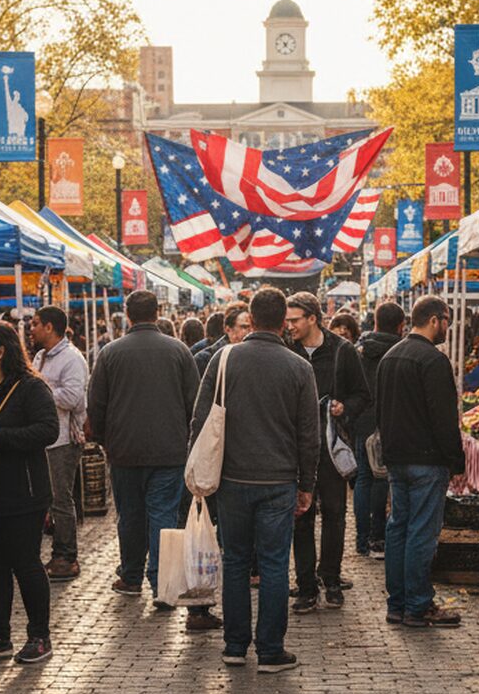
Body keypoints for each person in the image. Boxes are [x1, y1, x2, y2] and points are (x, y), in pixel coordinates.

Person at [191, 287, 317, 673]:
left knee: (236, 561)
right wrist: (307, 484)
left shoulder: (224, 359)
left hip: (232, 479)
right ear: (283, 322)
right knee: (276, 564)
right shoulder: (299, 368)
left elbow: (200, 419)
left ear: (251, 317)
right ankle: (270, 650)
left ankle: (233, 645)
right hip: (278, 482)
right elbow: (308, 435)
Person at [88, 290, 200, 607]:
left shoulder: (110, 353)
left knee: (130, 516)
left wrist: (104, 439)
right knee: (163, 515)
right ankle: (162, 584)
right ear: (157, 312)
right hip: (170, 450)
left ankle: (133, 575)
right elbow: (194, 403)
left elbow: (96, 403)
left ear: (128, 315)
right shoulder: (179, 351)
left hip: (124, 450)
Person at [0, 322, 60, 665]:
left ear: (2, 351)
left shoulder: (30, 388)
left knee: (26, 563)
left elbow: (48, 430)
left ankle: (39, 636)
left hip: (24, 493)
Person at [377, 296, 465, 628]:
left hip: (397, 459)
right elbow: (444, 419)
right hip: (426, 461)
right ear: (434, 320)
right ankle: (417, 604)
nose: (447, 328)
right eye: (447, 321)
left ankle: (397, 603)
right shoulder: (433, 361)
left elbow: (381, 411)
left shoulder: (390, 357)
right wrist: (455, 460)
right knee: (421, 532)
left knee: (398, 527)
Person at [284, 292, 370, 614]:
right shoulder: (285, 349)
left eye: (294, 320)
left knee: (334, 514)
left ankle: (331, 578)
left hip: (330, 449)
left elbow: (363, 395)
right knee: (300, 516)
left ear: (312, 319)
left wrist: (344, 408)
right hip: (293, 449)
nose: (289, 325)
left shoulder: (342, 351)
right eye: (287, 320)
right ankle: (306, 586)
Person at [29, 305, 88, 583]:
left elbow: (73, 398)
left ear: (49, 327)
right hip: (42, 439)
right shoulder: (40, 356)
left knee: (60, 499)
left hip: (63, 439)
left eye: (35, 324)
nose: (31, 328)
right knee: (47, 498)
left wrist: (40, 390)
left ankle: (66, 555)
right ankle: (55, 552)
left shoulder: (71, 358)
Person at [353, 301, 403, 560]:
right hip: (388, 422)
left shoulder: (359, 350)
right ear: (400, 325)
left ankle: (361, 540)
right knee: (381, 479)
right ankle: (378, 539)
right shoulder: (400, 350)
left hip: (362, 420)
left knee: (363, 478)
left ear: (374, 323)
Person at [194, 302, 250, 378]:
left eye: (253, 327)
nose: (250, 331)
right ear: (228, 329)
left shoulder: (254, 358)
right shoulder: (205, 359)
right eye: (244, 327)